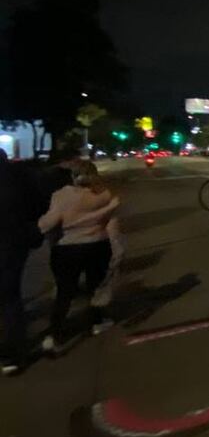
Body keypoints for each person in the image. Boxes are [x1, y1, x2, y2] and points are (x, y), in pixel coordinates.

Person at [37, 160, 121, 353]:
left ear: (73, 176)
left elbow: (49, 223)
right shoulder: (105, 195)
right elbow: (112, 226)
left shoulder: (62, 196)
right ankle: (97, 321)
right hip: (98, 246)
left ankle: (55, 335)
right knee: (95, 286)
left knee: (65, 292)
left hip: (67, 250)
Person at [0, 152, 45, 374]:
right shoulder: (19, 176)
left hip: (11, 241)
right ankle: (13, 356)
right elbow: (39, 205)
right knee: (11, 297)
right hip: (13, 243)